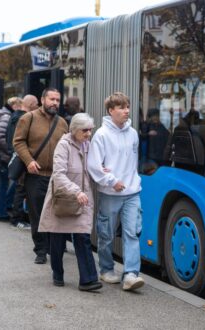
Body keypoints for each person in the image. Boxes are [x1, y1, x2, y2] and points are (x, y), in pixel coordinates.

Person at [87, 92, 145, 291]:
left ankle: (130, 274)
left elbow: (133, 163)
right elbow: (94, 166)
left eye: (127, 106)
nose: (126, 111)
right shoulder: (101, 135)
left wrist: (130, 182)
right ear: (111, 111)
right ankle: (106, 269)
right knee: (106, 235)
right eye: (121, 107)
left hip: (132, 192)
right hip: (110, 194)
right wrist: (112, 181)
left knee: (132, 233)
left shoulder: (133, 133)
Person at [38, 113, 102, 291]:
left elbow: (90, 168)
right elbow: (59, 175)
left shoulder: (88, 144)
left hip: (82, 200)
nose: (89, 133)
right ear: (74, 130)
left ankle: (88, 280)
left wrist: (100, 170)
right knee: (58, 238)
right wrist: (76, 191)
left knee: (82, 236)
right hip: (64, 198)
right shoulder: (63, 145)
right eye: (85, 130)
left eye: (90, 130)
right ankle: (57, 273)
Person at [14, 88, 68, 264]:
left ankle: (54, 247)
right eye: (52, 99)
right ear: (42, 99)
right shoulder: (28, 118)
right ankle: (40, 250)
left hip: (56, 176)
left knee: (55, 213)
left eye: (58, 100)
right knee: (37, 213)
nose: (55, 103)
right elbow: (18, 142)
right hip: (35, 176)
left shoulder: (62, 123)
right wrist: (29, 160)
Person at [7, 94, 38, 229]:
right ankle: (17, 218)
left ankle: (17, 216)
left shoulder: (13, 117)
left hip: (16, 157)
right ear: (31, 105)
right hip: (22, 158)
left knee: (19, 188)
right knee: (21, 189)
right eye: (36, 104)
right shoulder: (25, 119)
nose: (38, 108)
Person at [0, 97, 20, 222]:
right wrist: (11, 150)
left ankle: (5, 209)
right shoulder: (6, 117)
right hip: (4, 157)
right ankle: (2, 213)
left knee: (9, 183)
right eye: (19, 106)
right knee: (5, 184)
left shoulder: (6, 115)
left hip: (5, 156)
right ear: (14, 105)